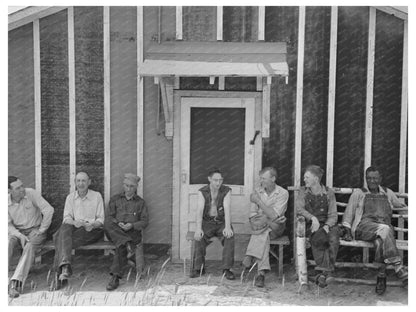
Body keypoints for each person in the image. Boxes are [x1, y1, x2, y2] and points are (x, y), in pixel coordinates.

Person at [341, 166, 408, 295]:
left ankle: (381, 277)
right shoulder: (359, 193)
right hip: (363, 228)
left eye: (375, 178)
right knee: (385, 229)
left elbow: (400, 207)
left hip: (383, 231)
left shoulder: (387, 193)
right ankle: (398, 267)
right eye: (369, 178)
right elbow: (348, 214)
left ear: (380, 179)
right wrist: (347, 230)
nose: (371, 181)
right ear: (365, 178)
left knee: (380, 242)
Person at [53, 172, 104, 289]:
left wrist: (92, 224)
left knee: (59, 238)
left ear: (89, 182)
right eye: (78, 181)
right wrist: (75, 222)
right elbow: (66, 218)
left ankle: (59, 272)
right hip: (75, 230)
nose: (81, 184)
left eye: (83, 181)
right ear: (75, 182)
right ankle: (65, 268)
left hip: (92, 231)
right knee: (65, 228)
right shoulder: (70, 197)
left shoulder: (96, 196)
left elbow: (101, 220)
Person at [8, 176, 54, 298]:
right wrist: (19, 235)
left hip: (35, 230)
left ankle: (15, 282)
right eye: (18, 188)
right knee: (8, 243)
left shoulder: (31, 193)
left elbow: (49, 210)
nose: (22, 189)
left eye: (22, 185)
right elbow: (7, 224)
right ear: (9, 191)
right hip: (17, 231)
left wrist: (42, 229)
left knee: (29, 246)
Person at [242, 167, 288, 288]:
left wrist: (259, 202)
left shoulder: (283, 193)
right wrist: (257, 221)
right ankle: (261, 274)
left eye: (264, 178)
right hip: (262, 226)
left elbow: (274, 215)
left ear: (273, 179)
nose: (261, 181)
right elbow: (252, 214)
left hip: (276, 228)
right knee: (263, 234)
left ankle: (250, 254)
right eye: (260, 178)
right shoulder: (257, 191)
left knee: (264, 230)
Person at [296, 165, 339, 288]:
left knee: (333, 237)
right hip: (311, 224)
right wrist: (312, 218)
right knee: (318, 235)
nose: (304, 180)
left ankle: (322, 274)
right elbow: (299, 209)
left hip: (327, 224)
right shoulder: (303, 191)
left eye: (307, 177)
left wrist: (326, 226)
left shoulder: (328, 192)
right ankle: (327, 273)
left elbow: (333, 215)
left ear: (316, 178)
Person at [104, 173, 149, 291]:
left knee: (120, 245)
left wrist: (132, 225)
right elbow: (109, 217)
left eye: (131, 187)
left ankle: (115, 277)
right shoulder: (115, 199)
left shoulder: (140, 203)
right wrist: (117, 223)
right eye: (126, 186)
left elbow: (144, 222)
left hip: (132, 232)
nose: (128, 189)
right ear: (123, 185)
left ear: (136, 188)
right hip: (116, 231)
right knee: (108, 223)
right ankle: (127, 242)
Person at [191, 169, 235, 280]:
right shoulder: (203, 191)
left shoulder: (226, 190)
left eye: (220, 180)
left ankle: (227, 269)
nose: (218, 183)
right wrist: (198, 228)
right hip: (208, 222)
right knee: (199, 238)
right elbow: (200, 210)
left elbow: (227, 208)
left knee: (229, 237)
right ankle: (198, 268)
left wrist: (228, 227)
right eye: (215, 180)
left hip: (221, 222)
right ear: (209, 179)